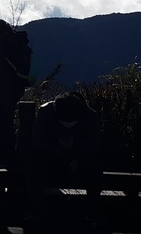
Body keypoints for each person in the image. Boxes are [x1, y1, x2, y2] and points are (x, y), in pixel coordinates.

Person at [31, 92, 105, 225]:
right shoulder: (45, 112)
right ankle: (34, 210)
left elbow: (96, 144)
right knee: (35, 162)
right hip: (53, 158)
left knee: (95, 165)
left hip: (80, 161)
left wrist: (75, 146)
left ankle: (92, 212)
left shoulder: (90, 116)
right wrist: (63, 154)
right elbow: (37, 140)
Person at [0, 19, 27, 168]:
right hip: (16, 88)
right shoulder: (15, 39)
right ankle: (9, 158)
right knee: (7, 123)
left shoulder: (4, 42)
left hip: (3, 90)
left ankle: (5, 159)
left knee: (1, 124)